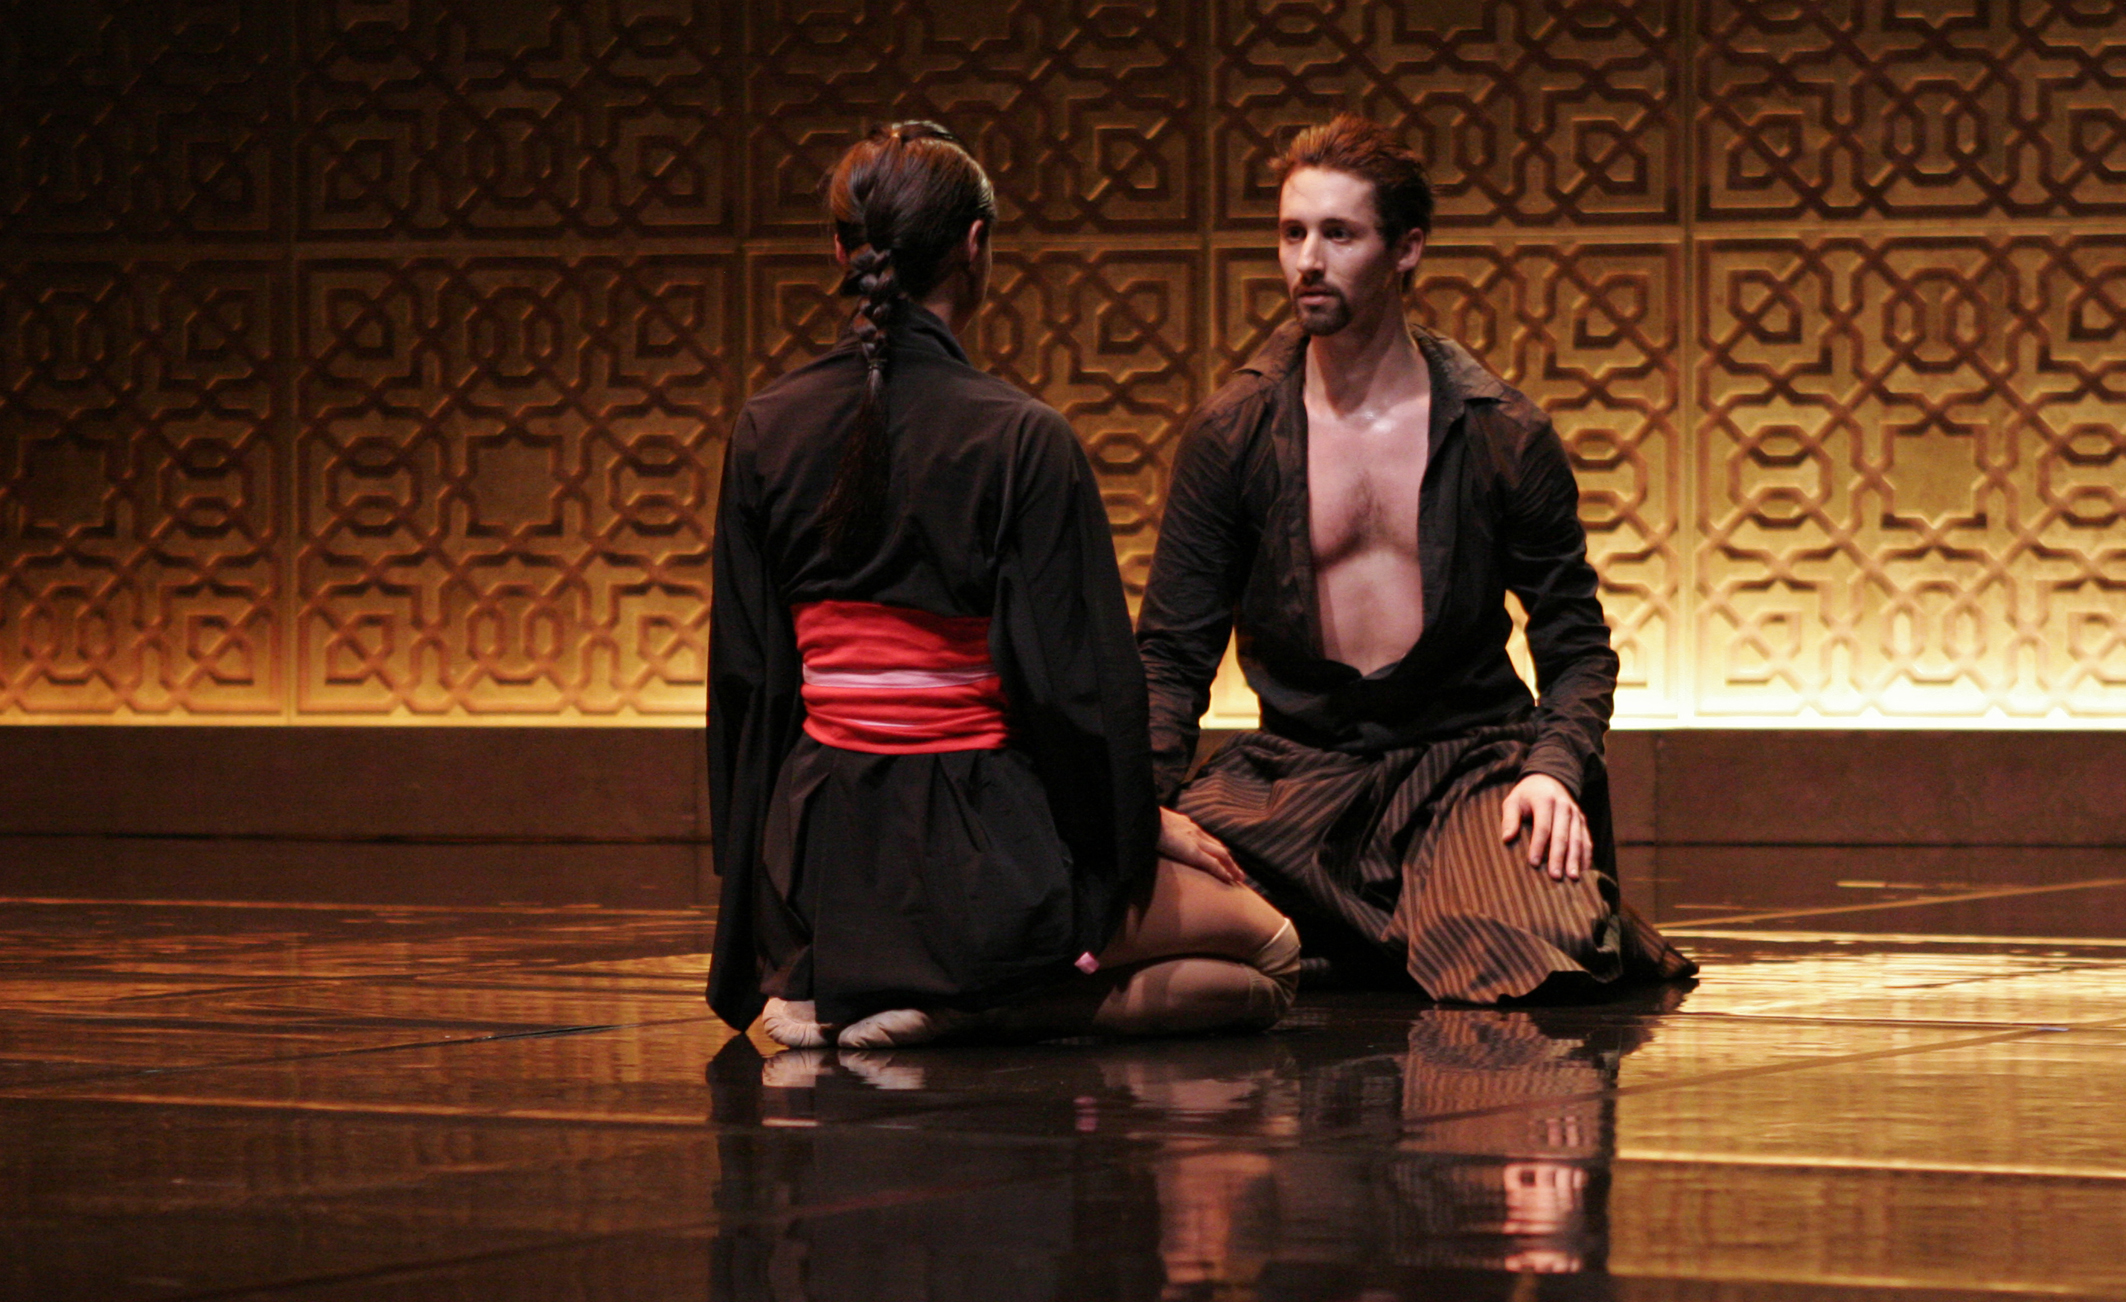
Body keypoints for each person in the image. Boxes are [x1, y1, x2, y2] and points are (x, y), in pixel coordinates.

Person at [707, 122, 1299, 1050]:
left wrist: (765, 893)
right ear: (976, 246)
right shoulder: (1021, 437)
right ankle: (978, 1005)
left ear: (838, 250)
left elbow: (749, 683)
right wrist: (1136, 825)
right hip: (980, 851)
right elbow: (1075, 692)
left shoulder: (763, 427)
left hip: (815, 858)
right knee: (1271, 955)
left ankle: (862, 985)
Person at [1137, 114, 1694, 1002]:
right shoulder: (1233, 432)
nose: (1308, 261)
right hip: (1294, 780)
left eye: (1339, 234)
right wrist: (1145, 810)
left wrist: (1552, 768)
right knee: (1104, 894)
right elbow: (1172, 653)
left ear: (1406, 249)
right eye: (1292, 233)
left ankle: (1384, 927)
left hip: (1463, 769)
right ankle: (1391, 928)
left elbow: (1576, 643)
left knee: (1536, 938)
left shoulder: (1499, 431)